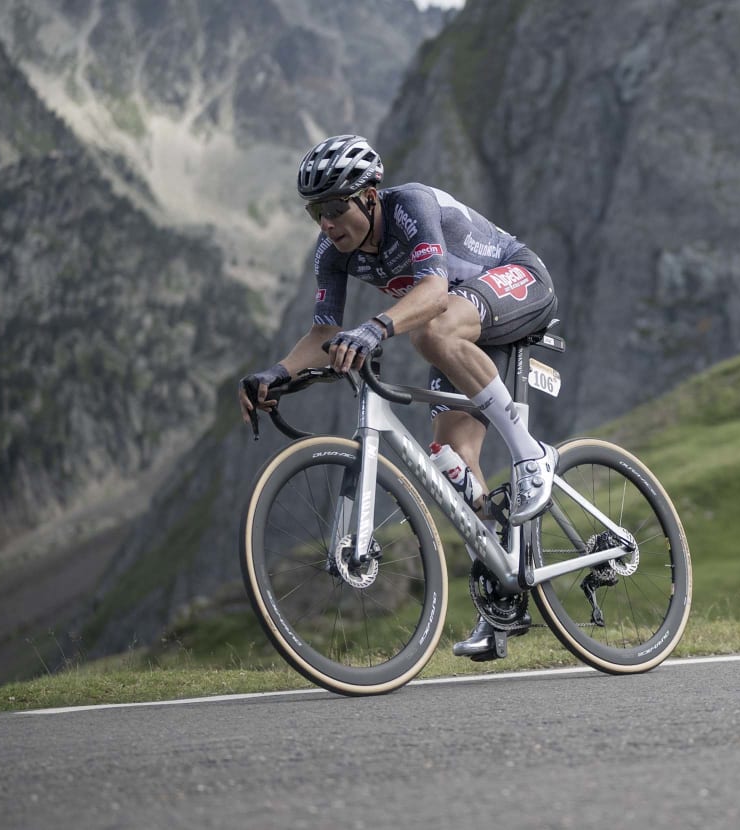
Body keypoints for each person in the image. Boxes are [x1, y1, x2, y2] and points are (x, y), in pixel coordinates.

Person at [238, 134, 559, 661]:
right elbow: (322, 335)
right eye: (315, 210)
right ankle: (501, 605)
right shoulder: (331, 253)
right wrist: (274, 374)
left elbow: (432, 292)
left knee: (429, 333)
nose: (326, 221)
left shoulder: (410, 206)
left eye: (336, 206)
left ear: (369, 196)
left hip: (516, 280)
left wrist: (374, 328)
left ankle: (532, 455)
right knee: (451, 463)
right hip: (462, 322)